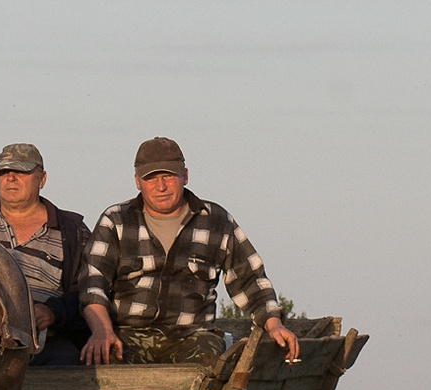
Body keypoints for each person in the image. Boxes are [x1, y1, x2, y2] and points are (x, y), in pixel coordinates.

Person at [78, 137, 301, 366]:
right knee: (104, 362)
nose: (161, 186)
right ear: (137, 182)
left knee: (208, 367)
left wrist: (274, 324)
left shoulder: (216, 220)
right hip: (127, 333)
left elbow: (249, 279)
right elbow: (92, 283)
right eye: (151, 178)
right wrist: (102, 331)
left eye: (168, 176)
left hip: (192, 336)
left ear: (185, 176)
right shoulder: (116, 221)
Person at [0, 144, 92, 367]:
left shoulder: (73, 231)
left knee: (68, 364)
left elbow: (89, 291)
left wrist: (53, 312)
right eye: (3, 172)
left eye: (21, 171)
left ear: (42, 179)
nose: (11, 178)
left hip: (47, 345)